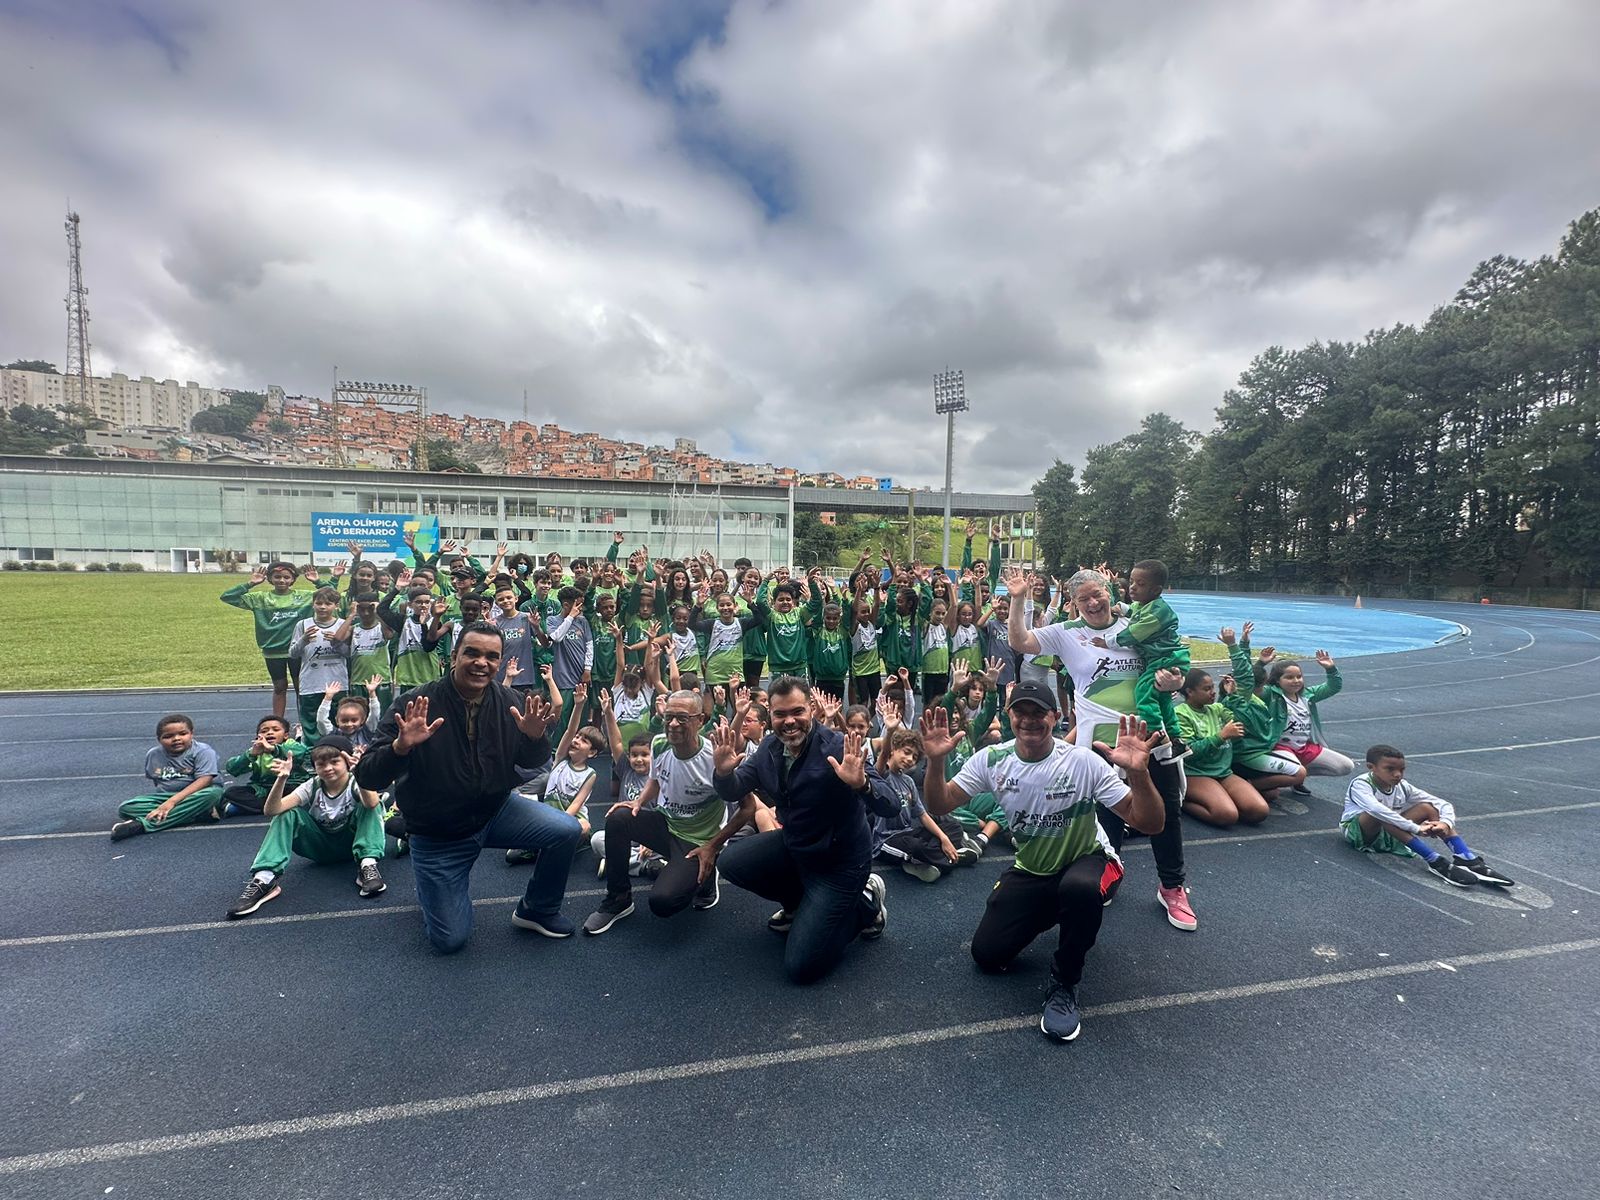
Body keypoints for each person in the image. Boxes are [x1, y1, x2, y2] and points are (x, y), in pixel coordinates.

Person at [920, 687, 1165, 1042]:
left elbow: (1150, 823)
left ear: (1054, 717)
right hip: (1033, 869)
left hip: (1090, 861)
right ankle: (1061, 908)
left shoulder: (1082, 761)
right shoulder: (992, 760)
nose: (1029, 720)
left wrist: (1140, 774)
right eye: (1021, 712)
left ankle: (1065, 983)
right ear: (1008, 715)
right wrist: (936, 761)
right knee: (987, 955)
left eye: (1039, 712)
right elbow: (940, 803)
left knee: (1079, 889)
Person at [354, 623, 581, 952]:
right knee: (449, 940)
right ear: (454, 656)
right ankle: (429, 881)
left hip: (495, 810)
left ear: (500, 662)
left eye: (492, 656)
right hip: (439, 834)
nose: (481, 662)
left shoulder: (511, 702)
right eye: (472, 653)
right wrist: (400, 748)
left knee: (566, 830)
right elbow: (367, 777)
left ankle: (537, 910)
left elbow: (533, 760)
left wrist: (535, 738)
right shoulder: (415, 704)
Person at [1003, 566, 1196, 932]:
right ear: (1074, 604)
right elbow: (1020, 642)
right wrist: (1018, 599)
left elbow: (1173, 661)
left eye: (1098, 594)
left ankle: (1172, 887)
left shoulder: (1135, 622)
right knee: (1107, 814)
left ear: (1110, 590)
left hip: (1149, 735)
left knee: (1166, 811)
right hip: (1100, 741)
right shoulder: (1066, 633)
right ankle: (1110, 872)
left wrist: (1176, 679)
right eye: (1083, 599)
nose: (1093, 603)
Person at [696, 676, 895, 985]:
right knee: (731, 862)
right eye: (780, 714)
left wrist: (863, 784)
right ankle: (797, 905)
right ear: (770, 715)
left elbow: (892, 805)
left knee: (801, 967)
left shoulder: (838, 746)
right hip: (797, 848)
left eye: (797, 712)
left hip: (839, 865)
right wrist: (722, 773)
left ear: (812, 709)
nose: (790, 721)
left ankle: (866, 904)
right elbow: (734, 788)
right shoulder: (769, 747)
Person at [581, 689, 727, 933]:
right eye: (669, 716)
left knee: (662, 903)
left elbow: (747, 808)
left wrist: (713, 847)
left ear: (700, 721)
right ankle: (619, 899)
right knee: (618, 818)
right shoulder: (659, 743)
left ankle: (706, 879)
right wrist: (638, 802)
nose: (672, 723)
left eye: (682, 718)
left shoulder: (715, 756)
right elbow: (655, 779)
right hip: (667, 825)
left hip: (697, 842)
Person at [225, 735, 387, 918]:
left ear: (347, 761)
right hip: (320, 848)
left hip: (351, 845)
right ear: (315, 767)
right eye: (321, 764)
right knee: (287, 813)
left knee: (373, 804)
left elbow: (372, 803)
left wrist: (360, 773)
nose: (328, 768)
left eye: (335, 762)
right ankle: (265, 878)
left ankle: (367, 865)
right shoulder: (312, 786)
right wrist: (281, 779)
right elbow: (271, 810)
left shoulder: (355, 781)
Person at [1341, 745, 1515, 887]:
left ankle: (1465, 857)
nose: (1397, 774)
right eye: (1390, 769)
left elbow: (1441, 803)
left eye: (1402, 769)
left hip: (1390, 831)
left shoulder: (1402, 786)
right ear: (1371, 768)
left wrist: (1445, 823)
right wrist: (1416, 828)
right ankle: (1435, 861)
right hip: (1361, 834)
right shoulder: (1361, 784)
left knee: (1427, 807)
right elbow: (1377, 811)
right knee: (1381, 814)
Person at [1096, 559, 1189, 756]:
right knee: (1162, 700)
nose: (1133, 587)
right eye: (1131, 581)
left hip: (1166, 658)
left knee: (1144, 692)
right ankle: (1175, 736)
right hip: (1163, 658)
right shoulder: (1145, 605)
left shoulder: (1158, 612)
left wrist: (1108, 641)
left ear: (1156, 590)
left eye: (1141, 584)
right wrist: (1119, 606)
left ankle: (1155, 733)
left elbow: (1135, 633)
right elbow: (1132, 611)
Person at [507, 683, 599, 864]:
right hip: (548, 816)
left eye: (584, 740)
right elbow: (570, 730)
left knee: (584, 827)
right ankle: (544, 846)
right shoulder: (560, 761)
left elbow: (576, 805)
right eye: (577, 738)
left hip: (569, 818)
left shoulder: (590, 774)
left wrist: (557, 824)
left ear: (592, 752)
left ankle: (573, 844)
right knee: (511, 854)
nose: (577, 740)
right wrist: (578, 706)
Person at [871, 727, 975, 883]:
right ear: (893, 749)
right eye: (906, 752)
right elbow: (883, 755)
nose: (910, 759)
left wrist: (944, 838)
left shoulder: (908, 782)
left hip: (907, 832)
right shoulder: (880, 775)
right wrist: (891, 730)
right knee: (915, 847)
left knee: (953, 827)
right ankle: (950, 859)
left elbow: (922, 815)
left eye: (914, 757)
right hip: (885, 842)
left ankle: (926, 861)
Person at [1220, 624, 1308, 801]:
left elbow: (1248, 673)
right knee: (1299, 773)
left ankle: (1246, 783)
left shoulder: (1261, 698)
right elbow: (1245, 675)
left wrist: (1255, 657)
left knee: (1272, 793)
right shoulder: (1237, 701)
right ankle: (1245, 786)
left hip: (1260, 751)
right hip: (1246, 755)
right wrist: (1233, 645)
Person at [1174, 668, 1266, 828]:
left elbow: (1246, 724)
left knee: (1259, 811)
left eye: (1213, 688)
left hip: (1223, 772)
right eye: (1207, 689)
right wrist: (1221, 736)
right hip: (1196, 773)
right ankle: (1180, 801)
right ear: (1189, 691)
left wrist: (1234, 696)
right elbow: (1189, 752)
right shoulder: (1181, 713)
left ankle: (1222, 798)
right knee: (1226, 816)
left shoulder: (1217, 708)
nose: (1213, 692)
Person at [110, 714, 225, 841]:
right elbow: (157, 781)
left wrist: (171, 803)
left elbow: (205, 780)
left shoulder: (203, 751)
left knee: (213, 794)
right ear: (159, 739)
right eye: (168, 736)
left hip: (197, 795)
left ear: (192, 734)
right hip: (167, 797)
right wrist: (167, 802)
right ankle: (197, 814)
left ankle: (142, 825)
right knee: (126, 808)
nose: (176, 739)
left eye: (182, 734)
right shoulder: (153, 755)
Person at [222, 562, 314, 719]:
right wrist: (250, 583)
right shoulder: (260, 598)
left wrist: (317, 581)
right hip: (273, 651)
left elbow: (330, 595)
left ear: (293, 579)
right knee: (279, 687)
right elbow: (227, 597)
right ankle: (278, 722)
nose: (282, 581)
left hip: (298, 650)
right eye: (277, 577)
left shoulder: (304, 596)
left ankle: (304, 722)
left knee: (302, 688)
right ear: (269, 578)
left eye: (286, 577)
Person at [1268, 651, 1354, 790]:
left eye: (1299, 676)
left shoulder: (1308, 695)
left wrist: (1330, 669)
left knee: (1345, 766)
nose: (1296, 681)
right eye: (1289, 677)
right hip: (1279, 748)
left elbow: (1333, 687)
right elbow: (1252, 685)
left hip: (1304, 747)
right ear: (1277, 680)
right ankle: (1270, 780)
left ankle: (1299, 777)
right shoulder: (1271, 696)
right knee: (1294, 769)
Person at [287, 587, 351, 743]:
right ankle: (310, 755)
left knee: (336, 720)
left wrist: (336, 643)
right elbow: (293, 653)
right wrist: (303, 640)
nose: (323, 607)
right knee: (311, 722)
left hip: (337, 683)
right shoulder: (303, 625)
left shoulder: (342, 625)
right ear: (313, 604)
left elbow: (349, 654)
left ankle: (336, 750)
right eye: (319, 603)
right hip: (311, 683)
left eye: (328, 603)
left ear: (336, 606)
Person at [220, 715, 312, 816]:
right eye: (264, 731)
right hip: (263, 790)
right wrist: (249, 756)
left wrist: (273, 749)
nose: (269, 732)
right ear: (258, 737)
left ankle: (254, 808)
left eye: (275, 729)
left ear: (285, 735)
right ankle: (270, 807)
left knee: (299, 791)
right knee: (231, 791)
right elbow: (232, 768)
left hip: (289, 786)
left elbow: (302, 752)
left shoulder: (290, 745)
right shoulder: (256, 752)